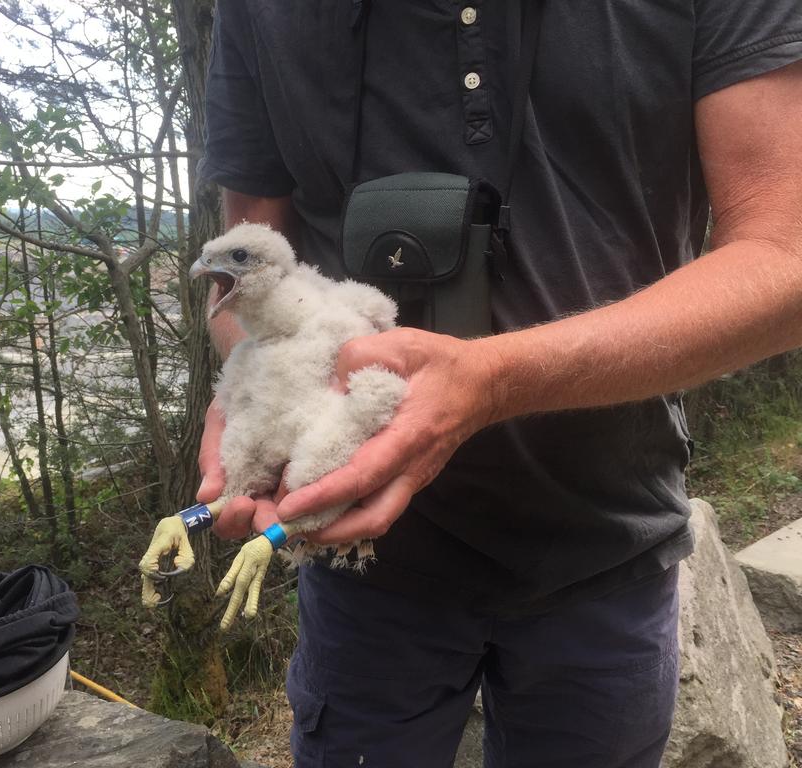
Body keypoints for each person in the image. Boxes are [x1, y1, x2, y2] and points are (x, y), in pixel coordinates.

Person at [195, 1, 802, 766]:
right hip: (360, 563)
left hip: (606, 539)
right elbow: (246, 264)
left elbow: (787, 255)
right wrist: (253, 383)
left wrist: (492, 380)